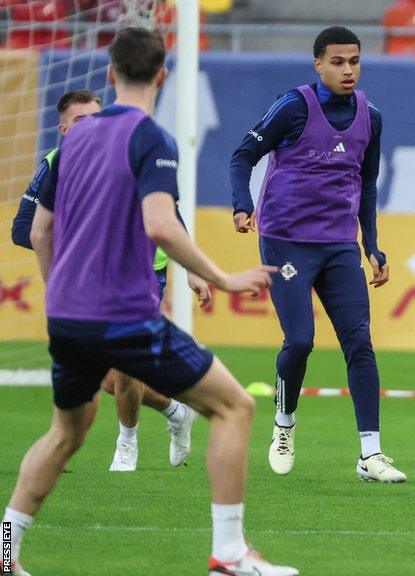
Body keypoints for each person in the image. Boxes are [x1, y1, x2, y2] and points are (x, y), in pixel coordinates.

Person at [2, 28, 298, 576]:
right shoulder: (150, 138)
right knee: (235, 407)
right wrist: (224, 277)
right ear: (162, 76)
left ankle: (4, 551)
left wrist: (60, 293)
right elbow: (161, 224)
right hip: (122, 314)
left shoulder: (71, 142)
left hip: (68, 315)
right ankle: (229, 554)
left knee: (65, 432)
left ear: (111, 75)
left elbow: (40, 232)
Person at [229, 26, 402, 482]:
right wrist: (242, 204)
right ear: (318, 65)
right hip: (286, 241)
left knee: (360, 341)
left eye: (355, 61)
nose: (348, 70)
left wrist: (372, 245)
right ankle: (284, 423)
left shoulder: (372, 116)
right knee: (301, 340)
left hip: (340, 244)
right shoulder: (292, 106)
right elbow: (242, 156)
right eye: (338, 62)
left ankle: (371, 455)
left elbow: (367, 184)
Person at [11, 89, 204, 473]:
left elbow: (168, 213)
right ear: (63, 129)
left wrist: (194, 269)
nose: (92, 127)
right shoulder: (55, 164)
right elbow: (24, 229)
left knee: (125, 367)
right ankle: (176, 411)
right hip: (87, 276)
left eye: (96, 118)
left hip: (144, 270)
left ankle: (126, 443)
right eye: (81, 121)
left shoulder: (130, 153)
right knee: (109, 382)